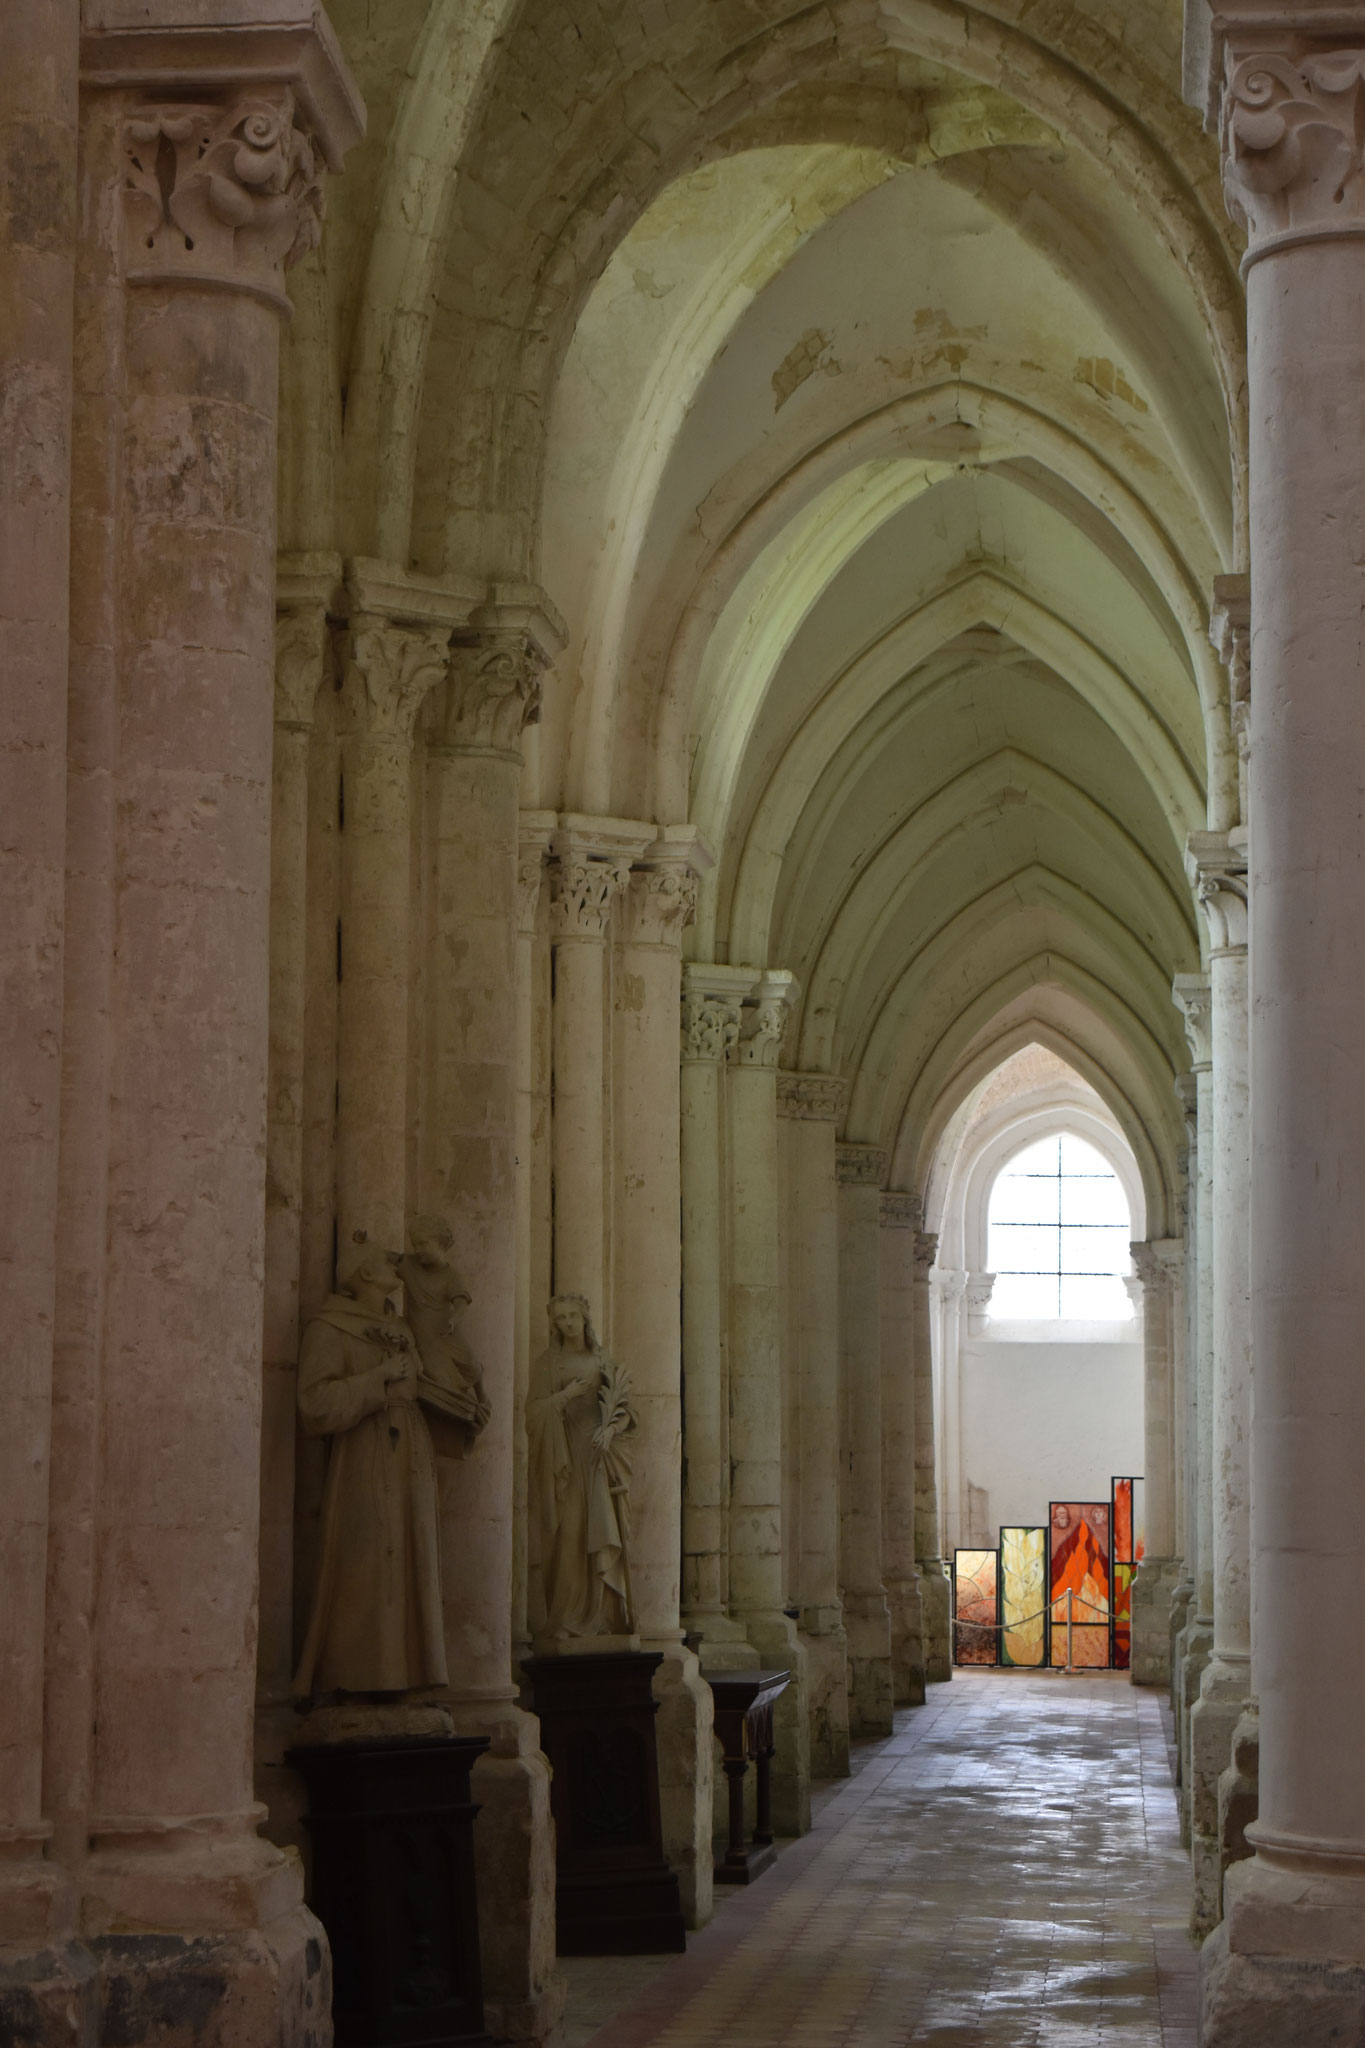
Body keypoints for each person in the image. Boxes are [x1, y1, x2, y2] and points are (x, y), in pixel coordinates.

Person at [293, 1246, 447, 1699]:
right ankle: (360, 1677)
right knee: (367, 1557)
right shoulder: (329, 1327)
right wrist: (376, 1378)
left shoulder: (399, 1327)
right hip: (364, 1454)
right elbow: (314, 1405)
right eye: (386, 1258)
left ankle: (410, 1675)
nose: (396, 1260)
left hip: (412, 1453)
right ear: (365, 1270)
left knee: (413, 1554)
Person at [526, 1294, 637, 1641]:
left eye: (573, 1316)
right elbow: (532, 1413)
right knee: (570, 1533)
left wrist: (610, 1430)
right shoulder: (548, 1364)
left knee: (603, 1530)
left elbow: (627, 1412)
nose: (568, 1323)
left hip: (600, 1456)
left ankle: (604, 1617)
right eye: (560, 1318)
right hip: (566, 1457)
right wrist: (566, 1395)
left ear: (585, 1317)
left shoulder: (603, 1360)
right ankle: (567, 1619)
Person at [396, 1213, 491, 1453]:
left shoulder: (451, 1276)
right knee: (432, 1374)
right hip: (419, 1333)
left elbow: (460, 1303)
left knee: (470, 1363)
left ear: (440, 1242)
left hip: (444, 1331)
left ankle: (482, 1397)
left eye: (424, 1243)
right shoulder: (409, 1266)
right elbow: (384, 1260)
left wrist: (453, 1321)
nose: (418, 1250)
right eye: (415, 1244)